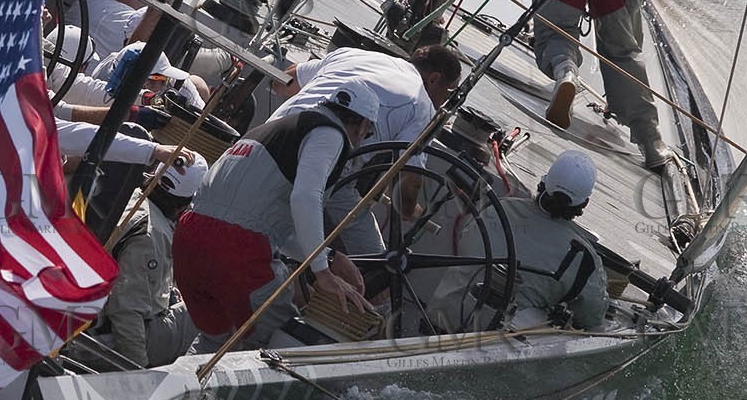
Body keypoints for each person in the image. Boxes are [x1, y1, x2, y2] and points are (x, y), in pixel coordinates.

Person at [173, 81, 383, 349]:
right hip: (238, 252)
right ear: (363, 125)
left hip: (188, 240)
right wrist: (322, 272)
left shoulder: (273, 129)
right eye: (368, 133)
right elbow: (305, 197)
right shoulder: (330, 133)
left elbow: (266, 227)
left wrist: (329, 256)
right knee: (280, 343)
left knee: (213, 341)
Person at [483, 0, 670, 168]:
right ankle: (651, 142)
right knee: (622, 48)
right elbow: (633, 36)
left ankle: (566, 74)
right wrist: (618, 97)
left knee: (556, 32)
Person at [269, 43, 461, 221]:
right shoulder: (423, 108)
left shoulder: (354, 54)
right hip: (321, 169)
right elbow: (404, 197)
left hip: (270, 134)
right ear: (434, 79)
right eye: (449, 94)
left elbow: (283, 81)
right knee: (361, 242)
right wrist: (417, 213)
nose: (445, 102)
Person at [431, 150, 609, 333]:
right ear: (584, 203)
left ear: (543, 182)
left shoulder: (497, 208)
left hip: (439, 316)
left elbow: (465, 241)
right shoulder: (583, 257)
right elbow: (592, 318)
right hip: (490, 340)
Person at [89, 156, 206, 368]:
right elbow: (126, 311)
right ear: (186, 204)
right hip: (104, 342)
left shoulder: (131, 198)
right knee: (204, 313)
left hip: (96, 320)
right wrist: (137, 370)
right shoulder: (151, 236)